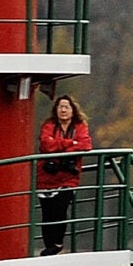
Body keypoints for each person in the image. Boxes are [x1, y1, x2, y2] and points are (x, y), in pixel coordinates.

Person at [37, 93, 92, 257]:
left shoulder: (80, 126)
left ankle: (57, 243)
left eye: (66, 107)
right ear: (56, 110)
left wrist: (59, 146)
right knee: (47, 213)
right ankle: (49, 247)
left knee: (60, 210)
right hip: (47, 178)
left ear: (73, 110)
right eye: (60, 107)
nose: (63, 110)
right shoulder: (49, 125)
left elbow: (86, 144)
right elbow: (46, 144)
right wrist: (70, 144)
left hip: (68, 178)